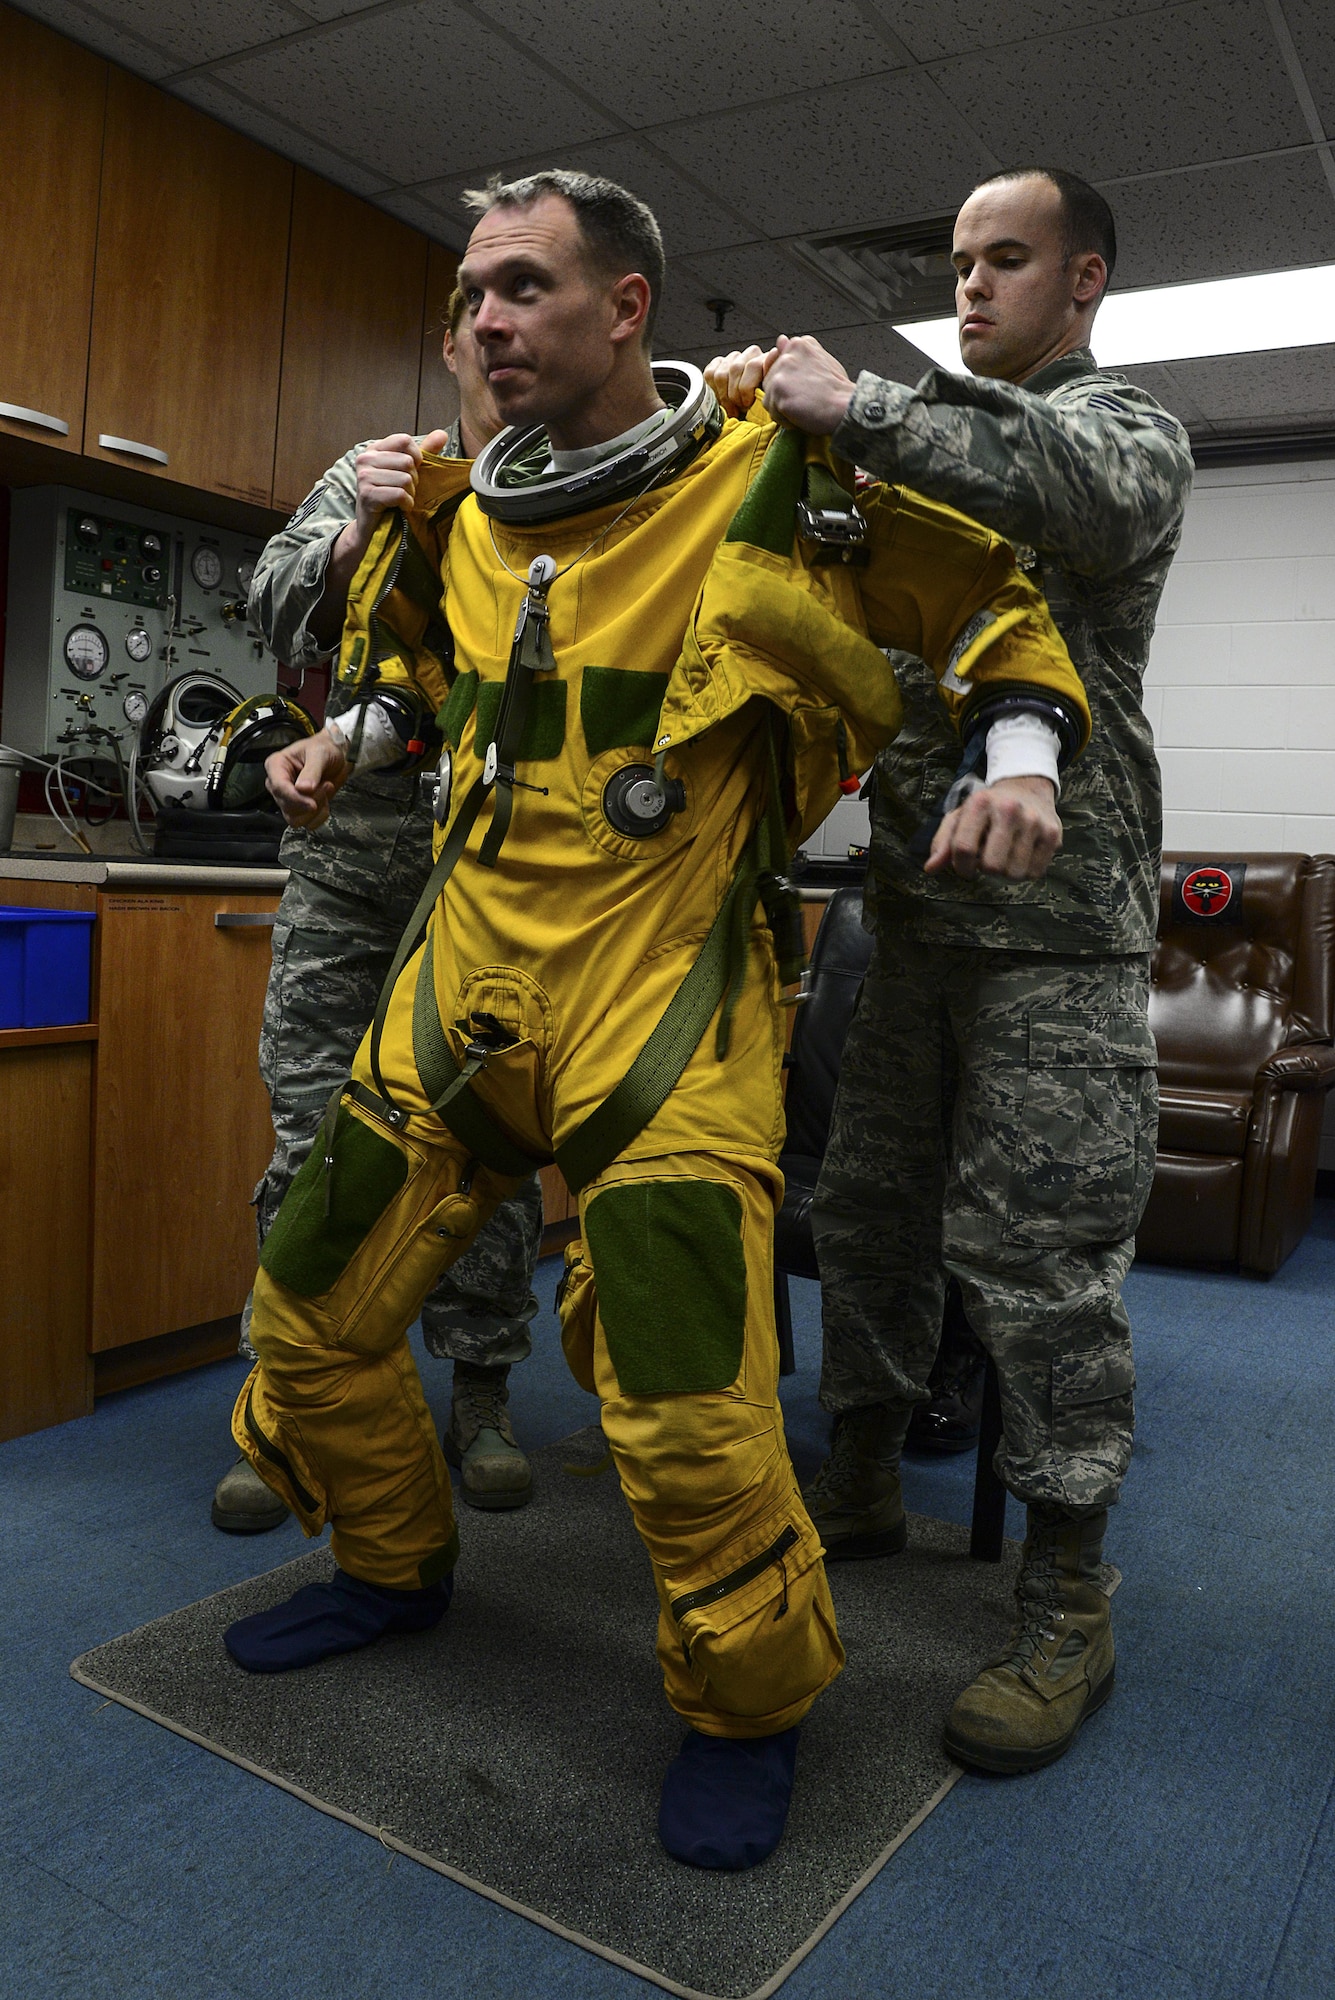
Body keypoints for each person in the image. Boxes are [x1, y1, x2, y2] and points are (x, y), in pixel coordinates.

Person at [218, 169, 1089, 1869]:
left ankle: (744, 1708)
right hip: (465, 987)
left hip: (662, 1000)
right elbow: (414, 672)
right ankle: (389, 1566)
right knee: (305, 1320)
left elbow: (997, 614)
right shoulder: (455, 517)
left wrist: (1027, 766)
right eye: (474, 292)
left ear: (626, 307)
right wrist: (356, 740)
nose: (485, 321)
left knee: (688, 1412)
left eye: (525, 288)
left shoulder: (778, 476)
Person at [713, 165, 1193, 1776]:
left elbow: (1060, 490)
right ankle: (854, 1474)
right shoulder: (919, 460)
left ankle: (1066, 1593)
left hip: (1058, 929)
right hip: (906, 912)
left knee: (1040, 1255)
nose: (970, 287)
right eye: (957, 264)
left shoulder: (1117, 430)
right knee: (861, 1208)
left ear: (1084, 281)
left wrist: (859, 408)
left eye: (1005, 262)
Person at [211, 289, 544, 1536]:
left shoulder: (561, 487)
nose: (495, 337)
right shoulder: (375, 467)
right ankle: (288, 1396)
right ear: (447, 345)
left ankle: (485, 1393)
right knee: (311, 1132)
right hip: (348, 861)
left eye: (521, 310)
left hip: (493, 870)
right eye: (474, 319)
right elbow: (275, 605)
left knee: (483, 1145)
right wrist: (356, 531)